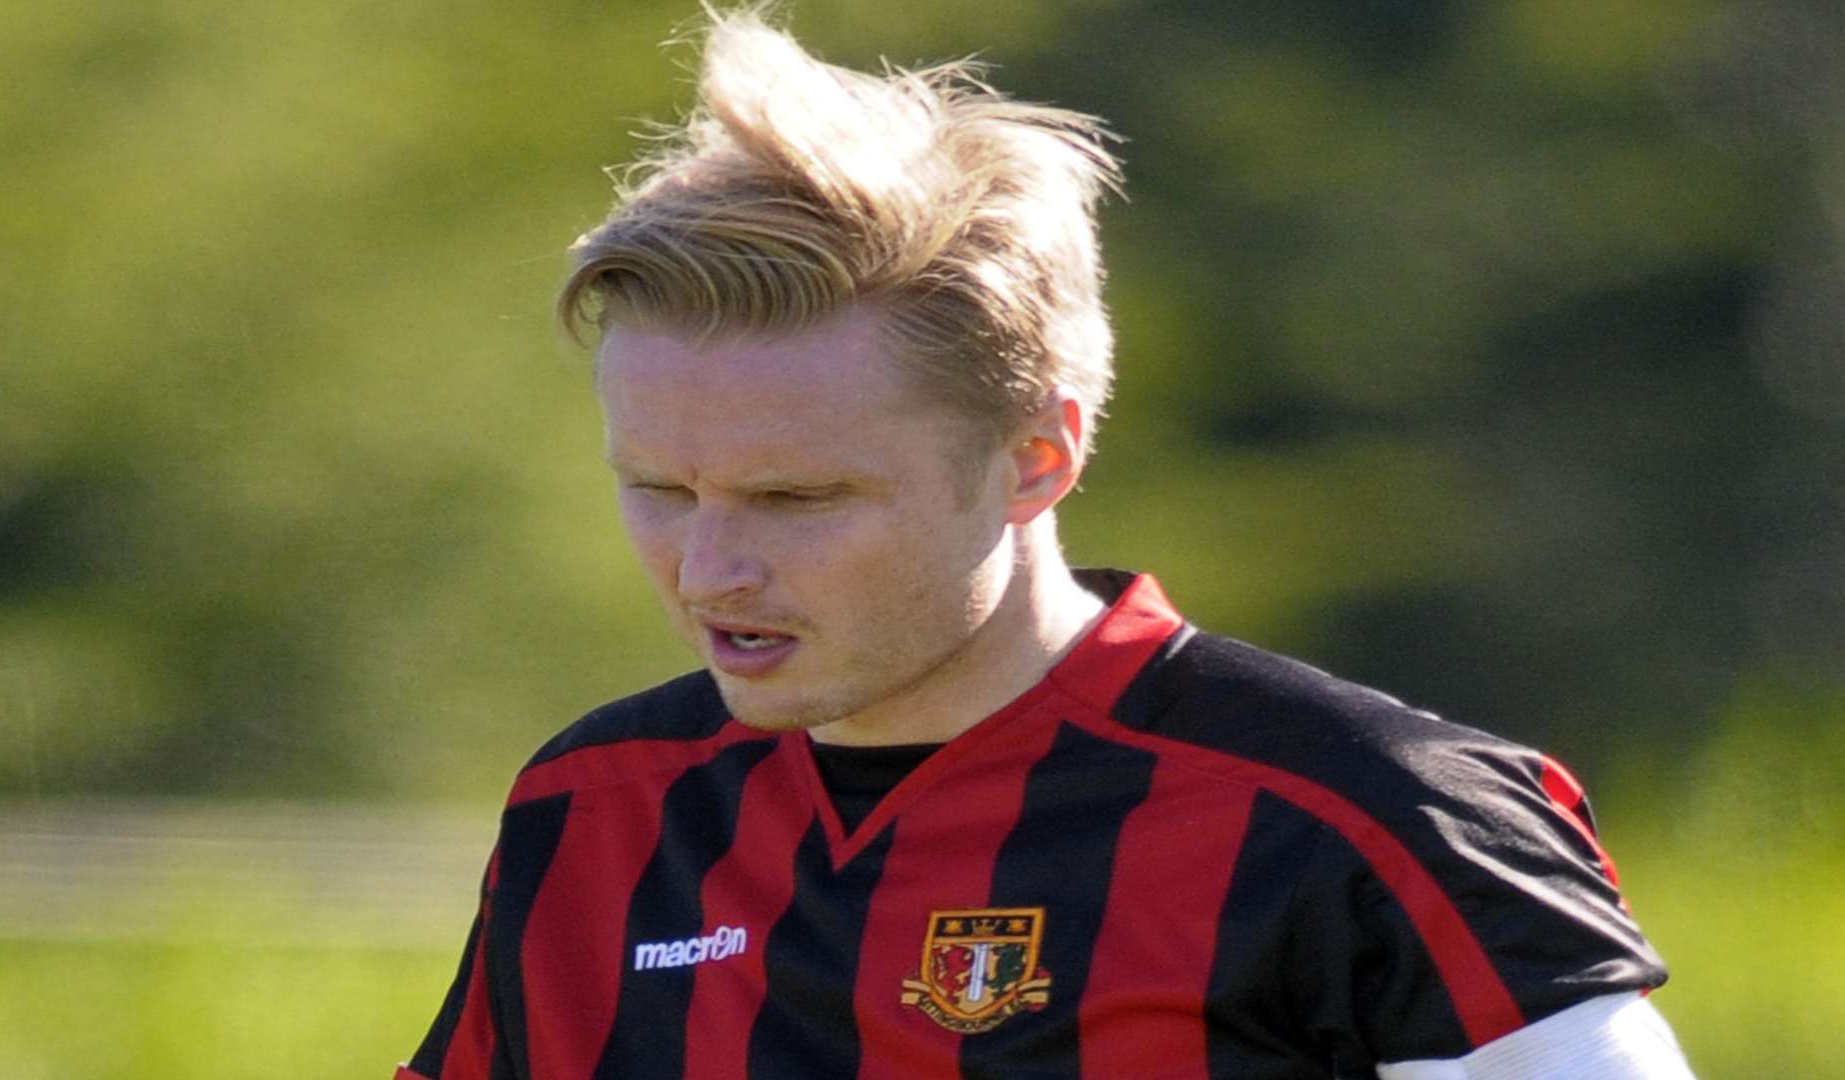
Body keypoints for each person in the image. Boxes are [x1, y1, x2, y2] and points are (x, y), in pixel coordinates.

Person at [398, 8, 1693, 1078]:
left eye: (798, 500)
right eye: (660, 489)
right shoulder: (597, 814)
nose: (708, 566)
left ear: (1038, 458)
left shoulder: (1372, 822)